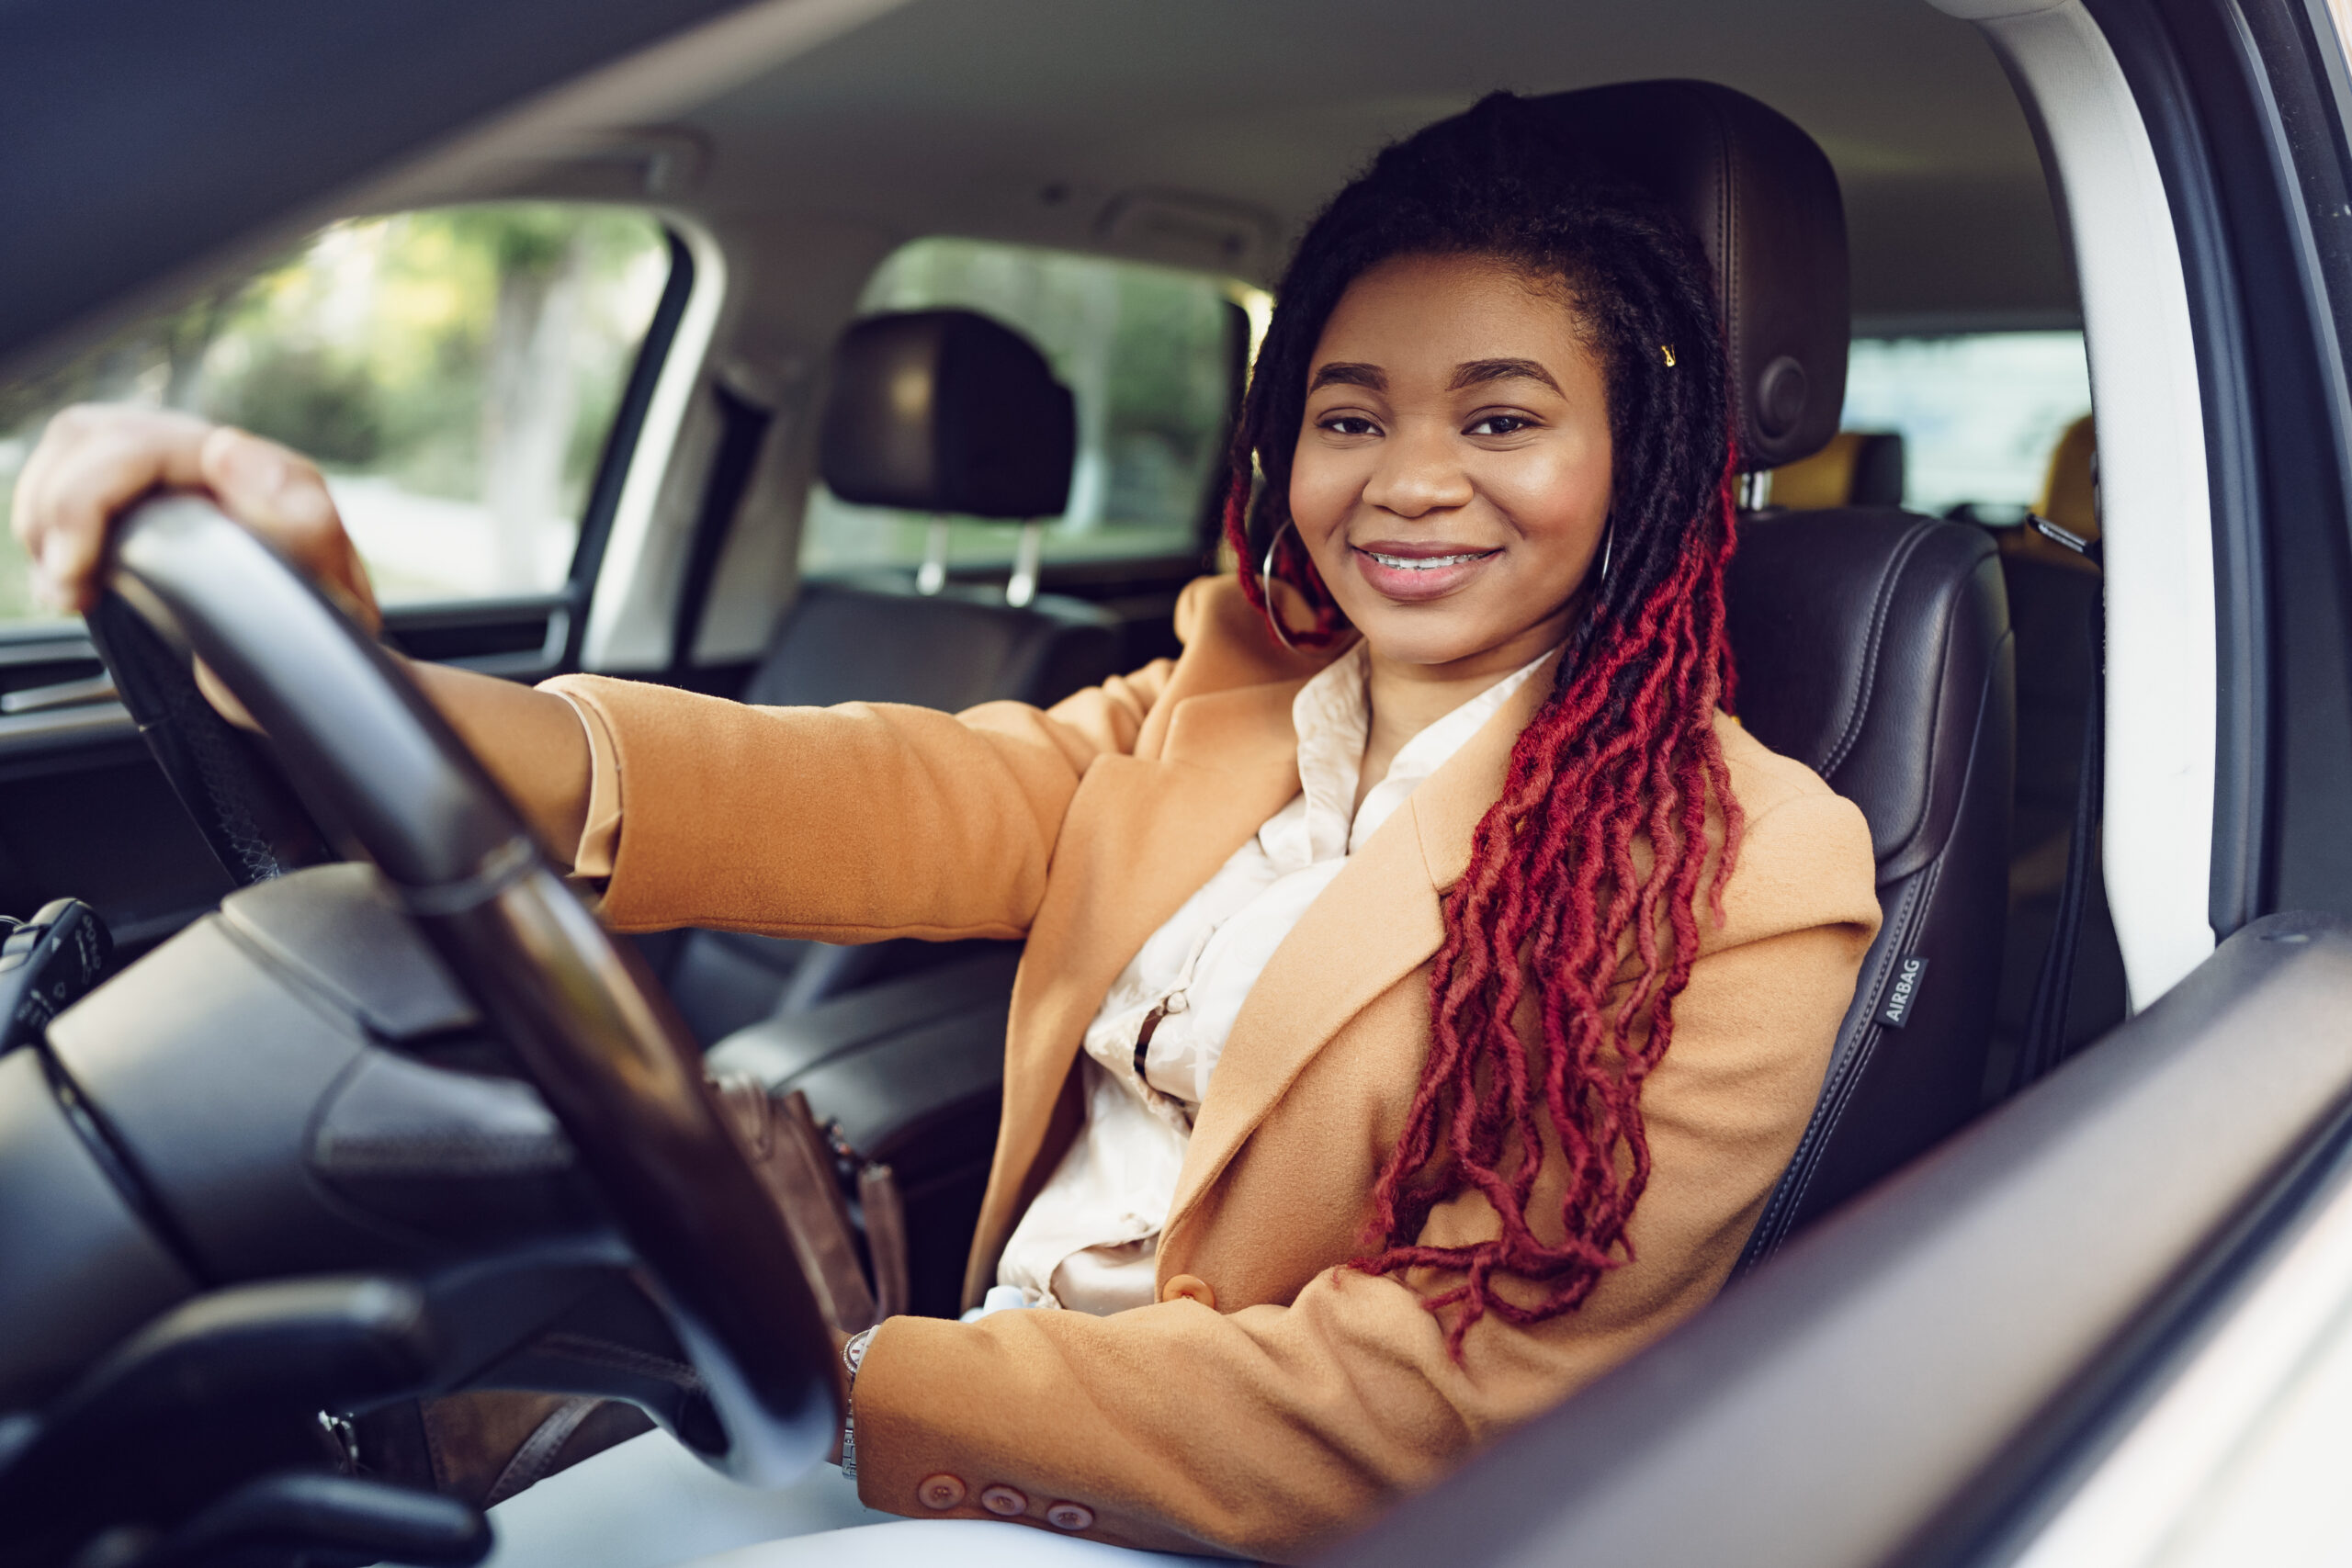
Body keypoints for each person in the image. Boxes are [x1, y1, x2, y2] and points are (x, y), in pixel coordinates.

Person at [14, 94, 1878, 1564]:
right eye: (1345, 413)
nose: (1402, 480)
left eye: (1499, 417)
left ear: (1636, 451)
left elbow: (1436, 1405)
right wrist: (363, 671)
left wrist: (871, 1383)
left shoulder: (1740, 868)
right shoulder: (1215, 705)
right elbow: (847, 789)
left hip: (1219, 1520)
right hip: (933, 1417)